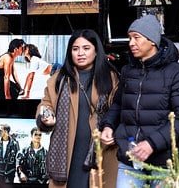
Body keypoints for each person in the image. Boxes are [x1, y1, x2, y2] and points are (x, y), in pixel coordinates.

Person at [100, 15, 179, 187]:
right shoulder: (128, 71)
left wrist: (152, 144)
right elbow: (119, 105)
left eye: (136, 37)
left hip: (162, 161)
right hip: (129, 158)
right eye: (129, 38)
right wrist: (108, 126)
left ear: (152, 41)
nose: (131, 43)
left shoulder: (175, 73)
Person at [37, 29, 120, 188]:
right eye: (75, 49)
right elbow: (45, 104)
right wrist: (45, 116)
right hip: (68, 152)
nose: (80, 53)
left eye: (86, 48)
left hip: (101, 151)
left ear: (96, 51)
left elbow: (119, 108)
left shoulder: (111, 77)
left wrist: (112, 128)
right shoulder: (59, 79)